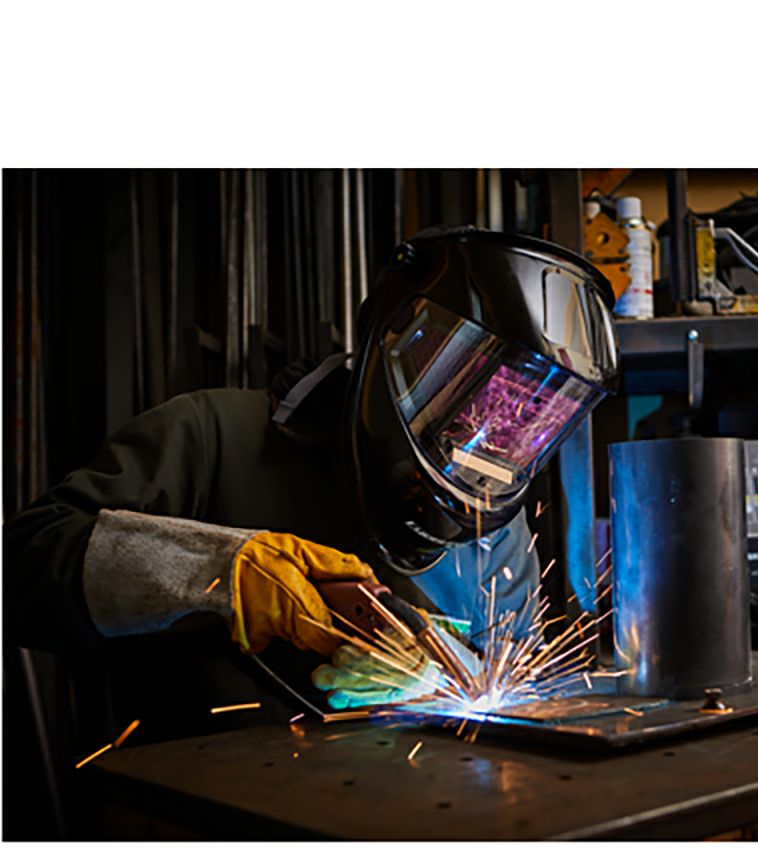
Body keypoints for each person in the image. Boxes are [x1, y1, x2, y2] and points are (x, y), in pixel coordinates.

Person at [4, 226, 619, 741]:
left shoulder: (495, 531)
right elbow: (21, 571)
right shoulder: (211, 436)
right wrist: (214, 568)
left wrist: (439, 675)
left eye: (525, 418)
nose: (486, 434)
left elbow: (515, 694)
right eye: (471, 392)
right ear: (403, 338)